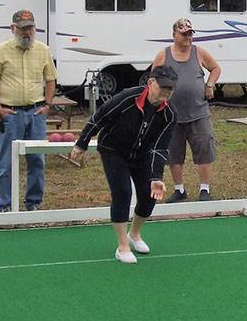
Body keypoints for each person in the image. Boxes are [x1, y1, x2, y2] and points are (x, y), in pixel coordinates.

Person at [71, 65, 177, 264]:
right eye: (163, 87)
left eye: (170, 89)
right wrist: (82, 142)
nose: (166, 93)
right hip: (113, 149)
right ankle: (122, 246)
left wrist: (156, 177)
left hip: (142, 154)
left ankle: (134, 234)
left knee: (149, 194)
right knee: (122, 192)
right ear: (151, 83)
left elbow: (160, 147)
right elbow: (100, 116)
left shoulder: (170, 115)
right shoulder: (128, 97)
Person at [0, 9, 57, 212]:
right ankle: (5, 205)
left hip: (36, 113)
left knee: (37, 161)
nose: (27, 33)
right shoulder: (1, 50)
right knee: (7, 161)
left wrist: (47, 105)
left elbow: (50, 79)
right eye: (23, 29)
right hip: (11, 113)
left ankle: (33, 203)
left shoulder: (43, 50)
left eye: (30, 28)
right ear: (13, 28)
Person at [151, 18, 221, 202]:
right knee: (174, 153)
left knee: (204, 148)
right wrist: (157, 98)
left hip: (198, 112)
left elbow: (215, 68)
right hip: (171, 114)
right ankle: (179, 189)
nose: (188, 37)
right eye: (184, 34)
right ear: (174, 34)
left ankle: (204, 189)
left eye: (190, 34)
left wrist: (210, 84)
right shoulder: (164, 55)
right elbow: (153, 77)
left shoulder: (199, 53)